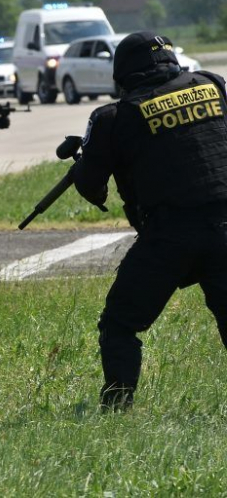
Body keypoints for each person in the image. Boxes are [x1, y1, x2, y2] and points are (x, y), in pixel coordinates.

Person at [71, 32, 227, 411]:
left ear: (123, 73)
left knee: (120, 323)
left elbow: (91, 186)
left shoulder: (112, 117)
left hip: (170, 236)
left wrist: (85, 155)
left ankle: (117, 407)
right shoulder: (212, 85)